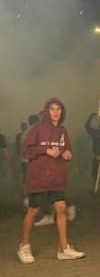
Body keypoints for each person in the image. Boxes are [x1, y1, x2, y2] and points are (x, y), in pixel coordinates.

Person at [17, 98, 85, 264]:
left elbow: (67, 149)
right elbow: (25, 150)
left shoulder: (62, 131)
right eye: (52, 109)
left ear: (62, 112)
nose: (56, 112)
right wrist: (45, 150)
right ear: (46, 111)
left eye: (59, 109)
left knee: (61, 209)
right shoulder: (37, 128)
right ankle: (24, 246)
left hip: (56, 177)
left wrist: (67, 154)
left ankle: (63, 248)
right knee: (33, 210)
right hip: (38, 176)